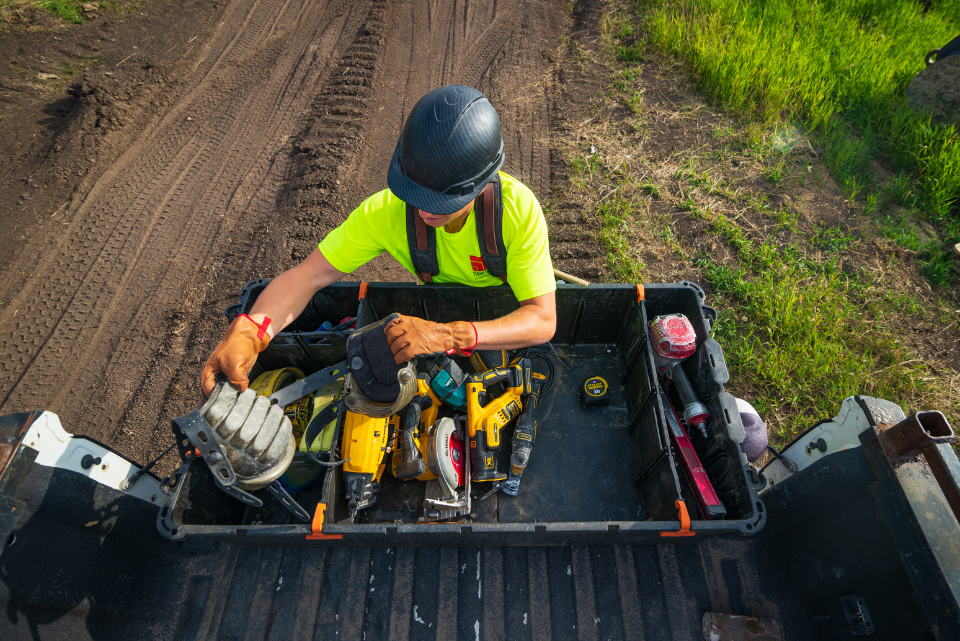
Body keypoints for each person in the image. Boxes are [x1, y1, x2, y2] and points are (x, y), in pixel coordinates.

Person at [201, 85, 556, 398]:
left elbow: (541, 319)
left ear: (480, 184)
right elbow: (309, 276)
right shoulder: (385, 211)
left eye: (438, 203)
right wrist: (252, 331)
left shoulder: (515, 211)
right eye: (414, 194)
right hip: (446, 319)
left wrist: (451, 336)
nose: (421, 210)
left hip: (503, 318)